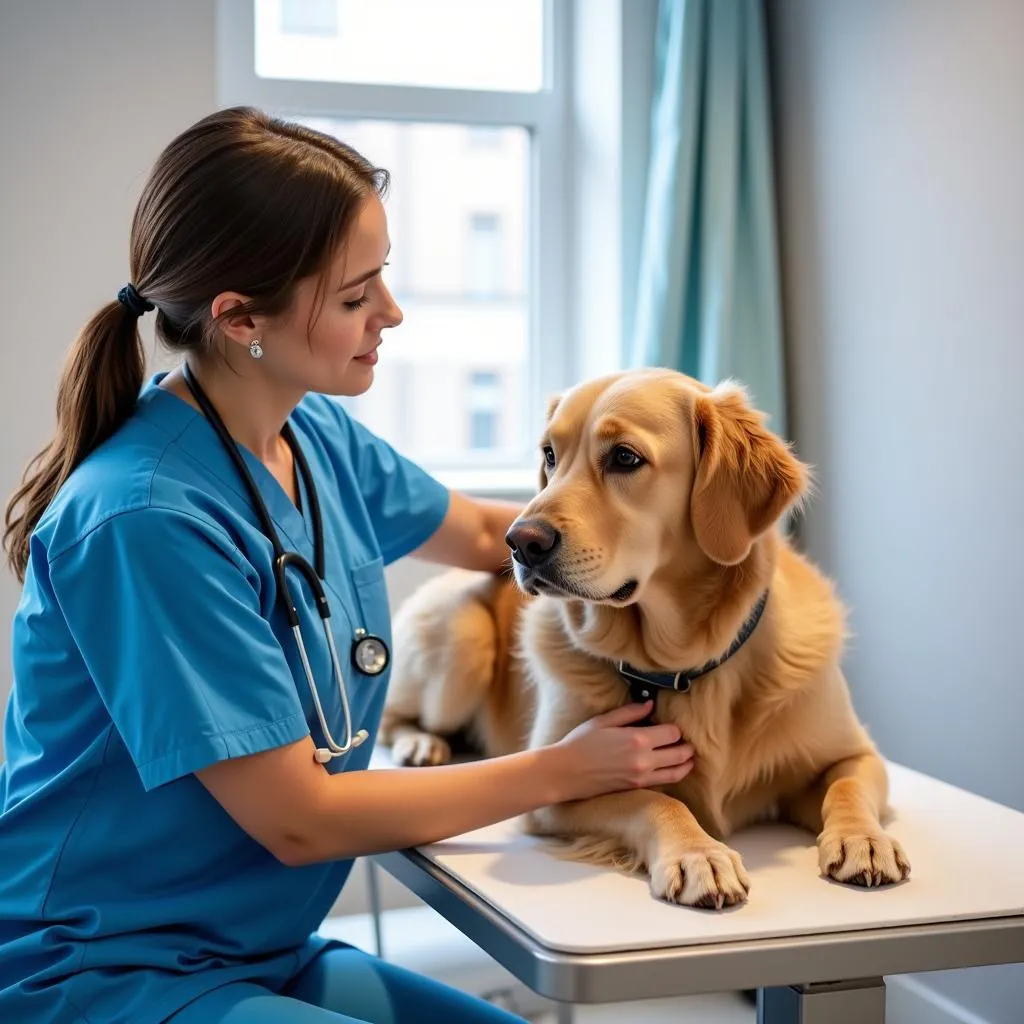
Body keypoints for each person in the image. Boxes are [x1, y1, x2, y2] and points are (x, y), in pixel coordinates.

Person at [0, 107, 695, 1024]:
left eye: (385, 280)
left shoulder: (313, 434)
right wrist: (564, 768)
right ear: (240, 318)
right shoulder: (145, 518)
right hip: (104, 970)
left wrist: (695, 532)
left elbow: (497, 538)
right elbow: (301, 820)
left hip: (259, 948)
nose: (392, 315)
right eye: (357, 296)